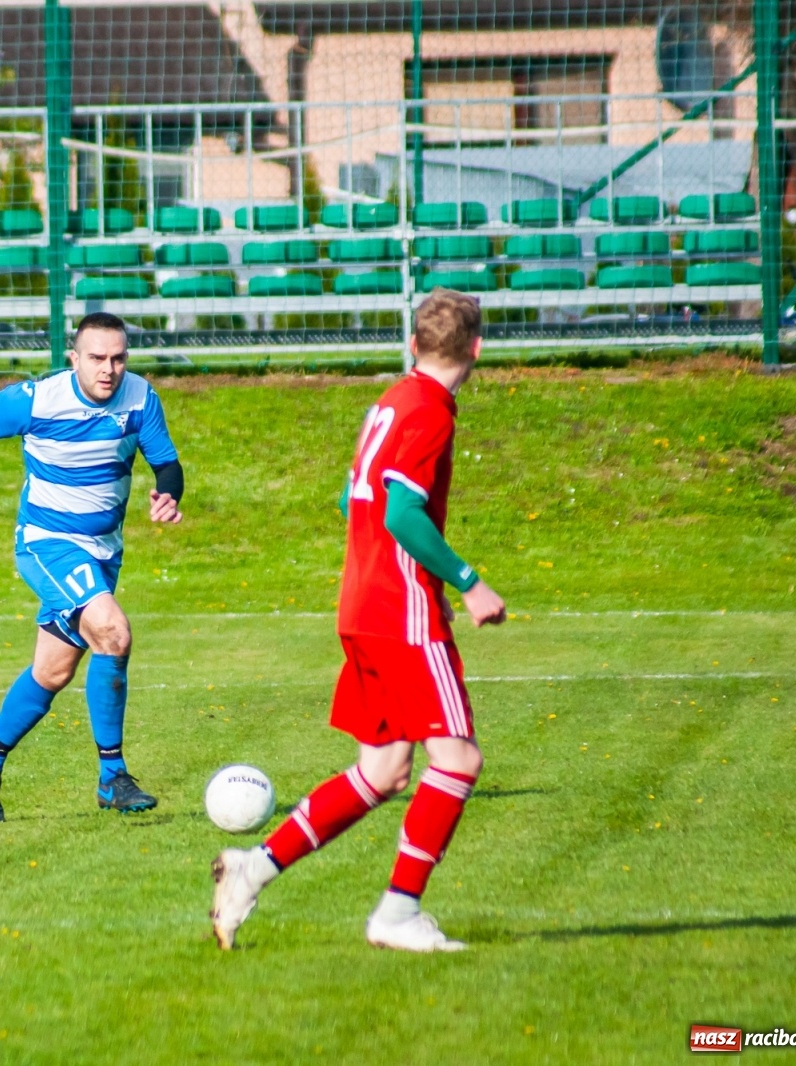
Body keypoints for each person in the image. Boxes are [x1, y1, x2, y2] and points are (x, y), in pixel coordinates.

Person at [209, 288, 507, 954]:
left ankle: (252, 869)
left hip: (363, 604)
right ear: (477, 349)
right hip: (402, 611)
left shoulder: (392, 401)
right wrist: (468, 583)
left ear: (413, 344)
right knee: (457, 760)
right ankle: (398, 913)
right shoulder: (429, 411)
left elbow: (355, 500)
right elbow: (400, 513)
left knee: (384, 770)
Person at [0, 311, 184, 821]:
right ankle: (112, 777)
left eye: (118, 358)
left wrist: (169, 492)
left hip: (103, 551)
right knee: (112, 632)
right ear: (73, 358)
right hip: (47, 543)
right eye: (97, 358)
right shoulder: (37, 400)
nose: (109, 369)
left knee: (52, 671)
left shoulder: (140, 398)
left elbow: (166, 463)